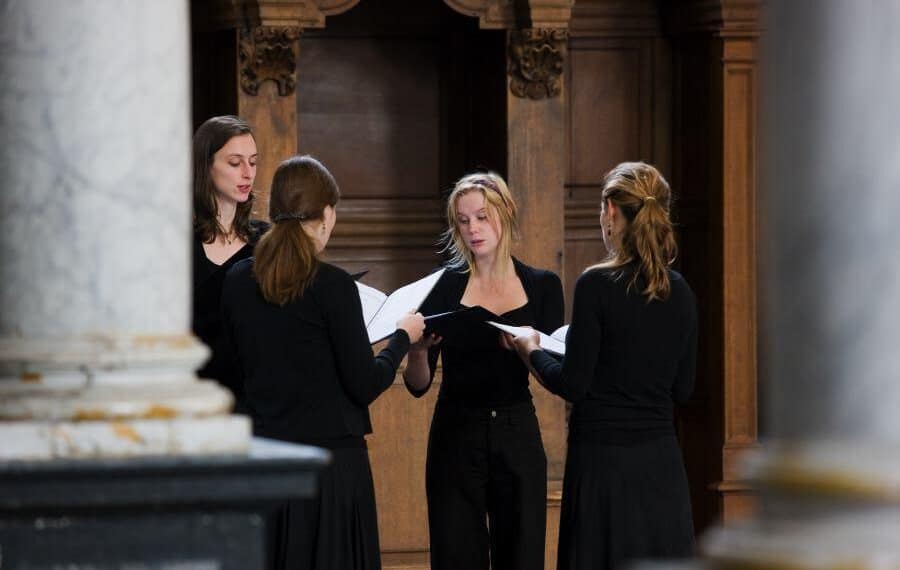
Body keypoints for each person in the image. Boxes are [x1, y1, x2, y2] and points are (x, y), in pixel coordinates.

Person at [220, 154, 425, 570]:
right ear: (327, 215)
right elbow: (364, 384)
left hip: (266, 463)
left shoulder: (238, 279)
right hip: (330, 472)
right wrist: (403, 337)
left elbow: (234, 373)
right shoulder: (332, 286)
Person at [508, 161, 697, 569]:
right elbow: (683, 389)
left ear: (610, 210)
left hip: (602, 465)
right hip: (661, 465)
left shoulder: (596, 284)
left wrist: (530, 349)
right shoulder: (680, 291)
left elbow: (572, 385)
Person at [403, 172, 564, 570]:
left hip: (516, 430)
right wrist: (417, 352)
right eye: (463, 220)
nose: (473, 229)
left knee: (522, 554)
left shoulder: (543, 285)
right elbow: (417, 385)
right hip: (456, 432)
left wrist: (527, 351)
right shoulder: (444, 285)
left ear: (505, 213)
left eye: (481, 217)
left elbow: (552, 376)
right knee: (456, 555)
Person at [191, 115, 268, 411]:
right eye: (235, 163)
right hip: (194, 392)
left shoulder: (266, 240)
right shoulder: (177, 243)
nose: (248, 173)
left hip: (255, 394)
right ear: (206, 166)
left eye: (253, 162)